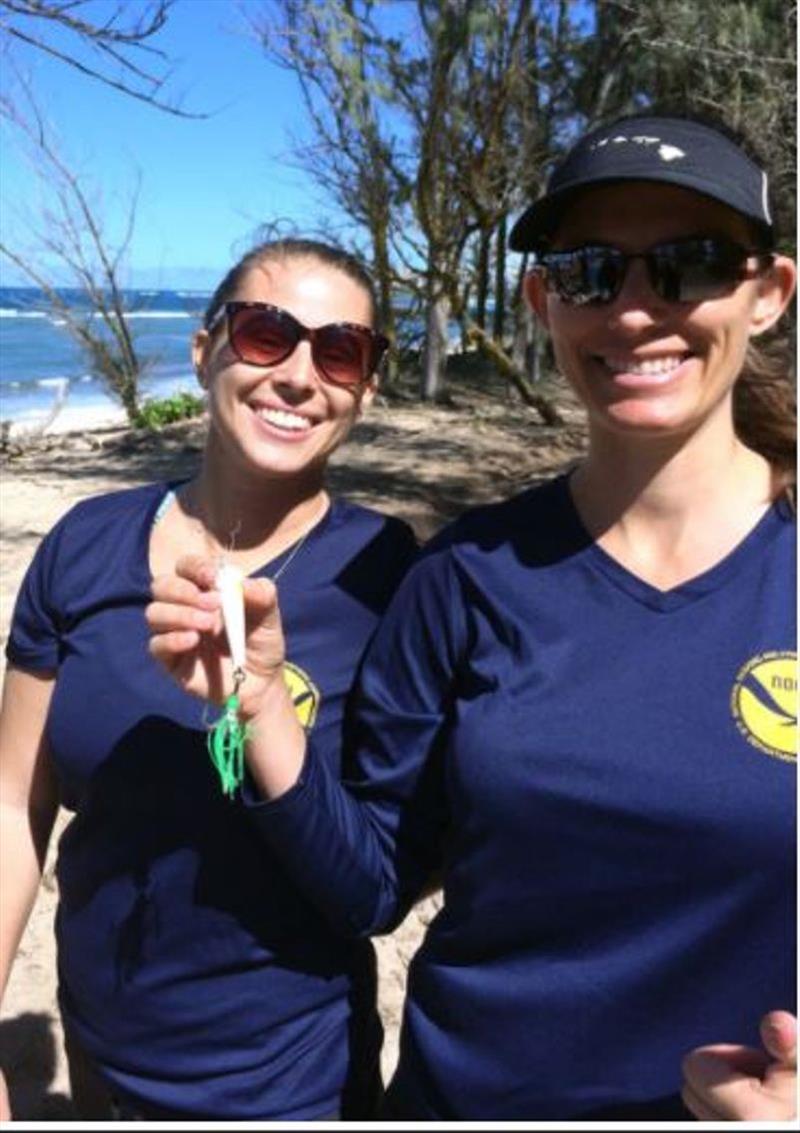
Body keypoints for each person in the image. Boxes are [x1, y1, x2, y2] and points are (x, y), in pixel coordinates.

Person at [149, 113, 797, 1120]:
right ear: (543, 300)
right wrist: (260, 705)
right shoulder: (464, 575)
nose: (633, 310)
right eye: (590, 271)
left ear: (764, 294)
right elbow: (371, 887)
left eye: (688, 264)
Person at [0, 237, 418, 1121]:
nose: (301, 374)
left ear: (367, 386)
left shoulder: (391, 580)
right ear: (203, 349)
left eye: (341, 350)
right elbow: (12, 806)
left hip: (287, 1083)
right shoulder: (83, 544)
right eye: (267, 332)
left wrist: (262, 709)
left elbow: (374, 892)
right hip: (98, 1051)